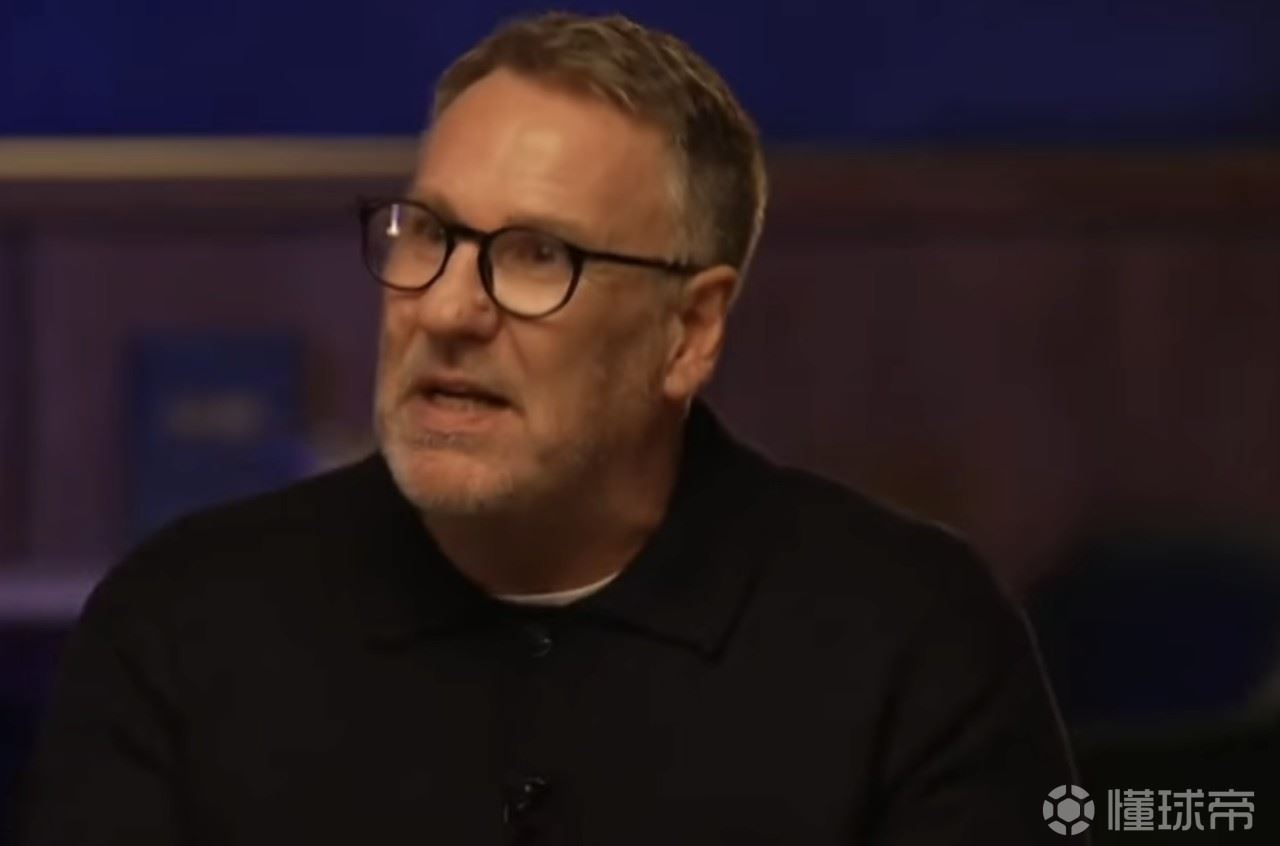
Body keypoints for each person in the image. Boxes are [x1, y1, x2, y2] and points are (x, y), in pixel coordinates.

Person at [14, 12, 1080, 845]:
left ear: (690, 331)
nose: (444, 309)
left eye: (536, 257)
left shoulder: (911, 640)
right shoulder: (182, 625)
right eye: (426, 233)